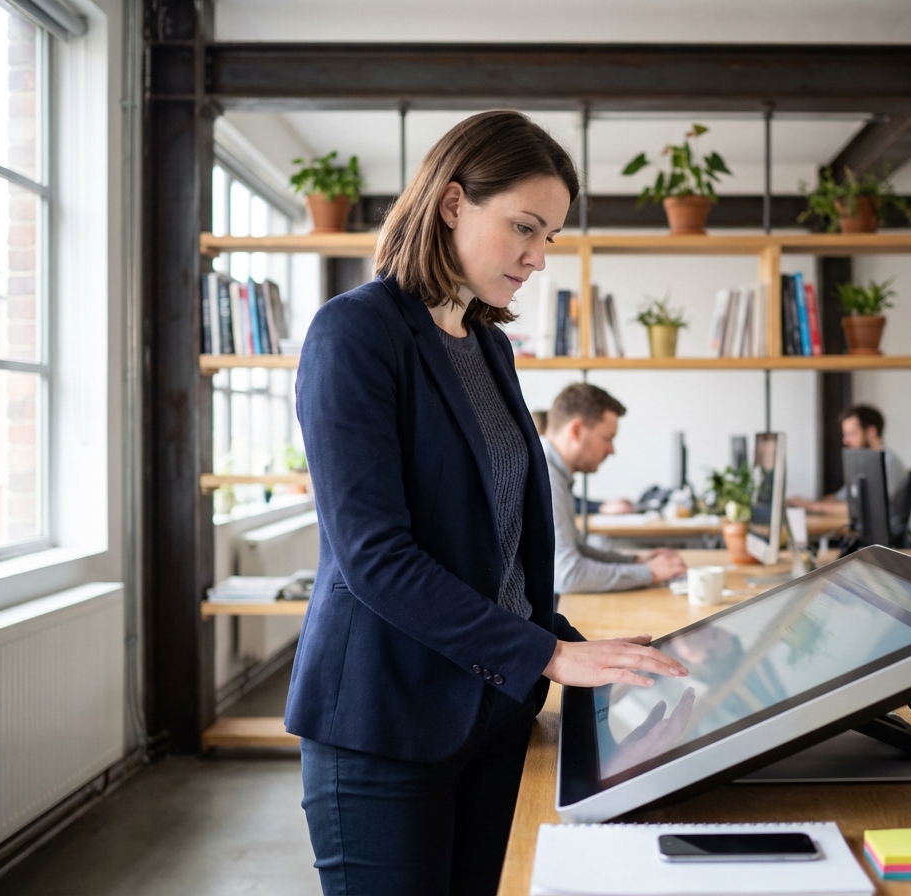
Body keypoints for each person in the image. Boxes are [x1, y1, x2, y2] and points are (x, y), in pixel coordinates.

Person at [286, 111, 688, 896]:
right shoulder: (354, 334)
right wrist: (548, 655)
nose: (540, 259)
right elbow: (376, 558)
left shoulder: (487, 343)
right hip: (386, 721)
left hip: (492, 709)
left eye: (551, 238)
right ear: (451, 204)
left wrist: (577, 648)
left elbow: (497, 547)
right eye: (524, 229)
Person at [542, 383, 687, 593]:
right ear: (576, 430)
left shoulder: (551, 470)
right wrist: (650, 573)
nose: (611, 450)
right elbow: (567, 574)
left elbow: (577, 551)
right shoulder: (546, 476)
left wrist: (636, 561)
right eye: (606, 438)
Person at [790, 404, 906, 514]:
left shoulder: (888, 463)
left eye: (850, 434)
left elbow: (866, 510)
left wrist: (813, 507)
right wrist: (808, 503)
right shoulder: (865, 464)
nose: (845, 440)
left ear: (871, 432)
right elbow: (841, 497)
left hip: (876, 534)